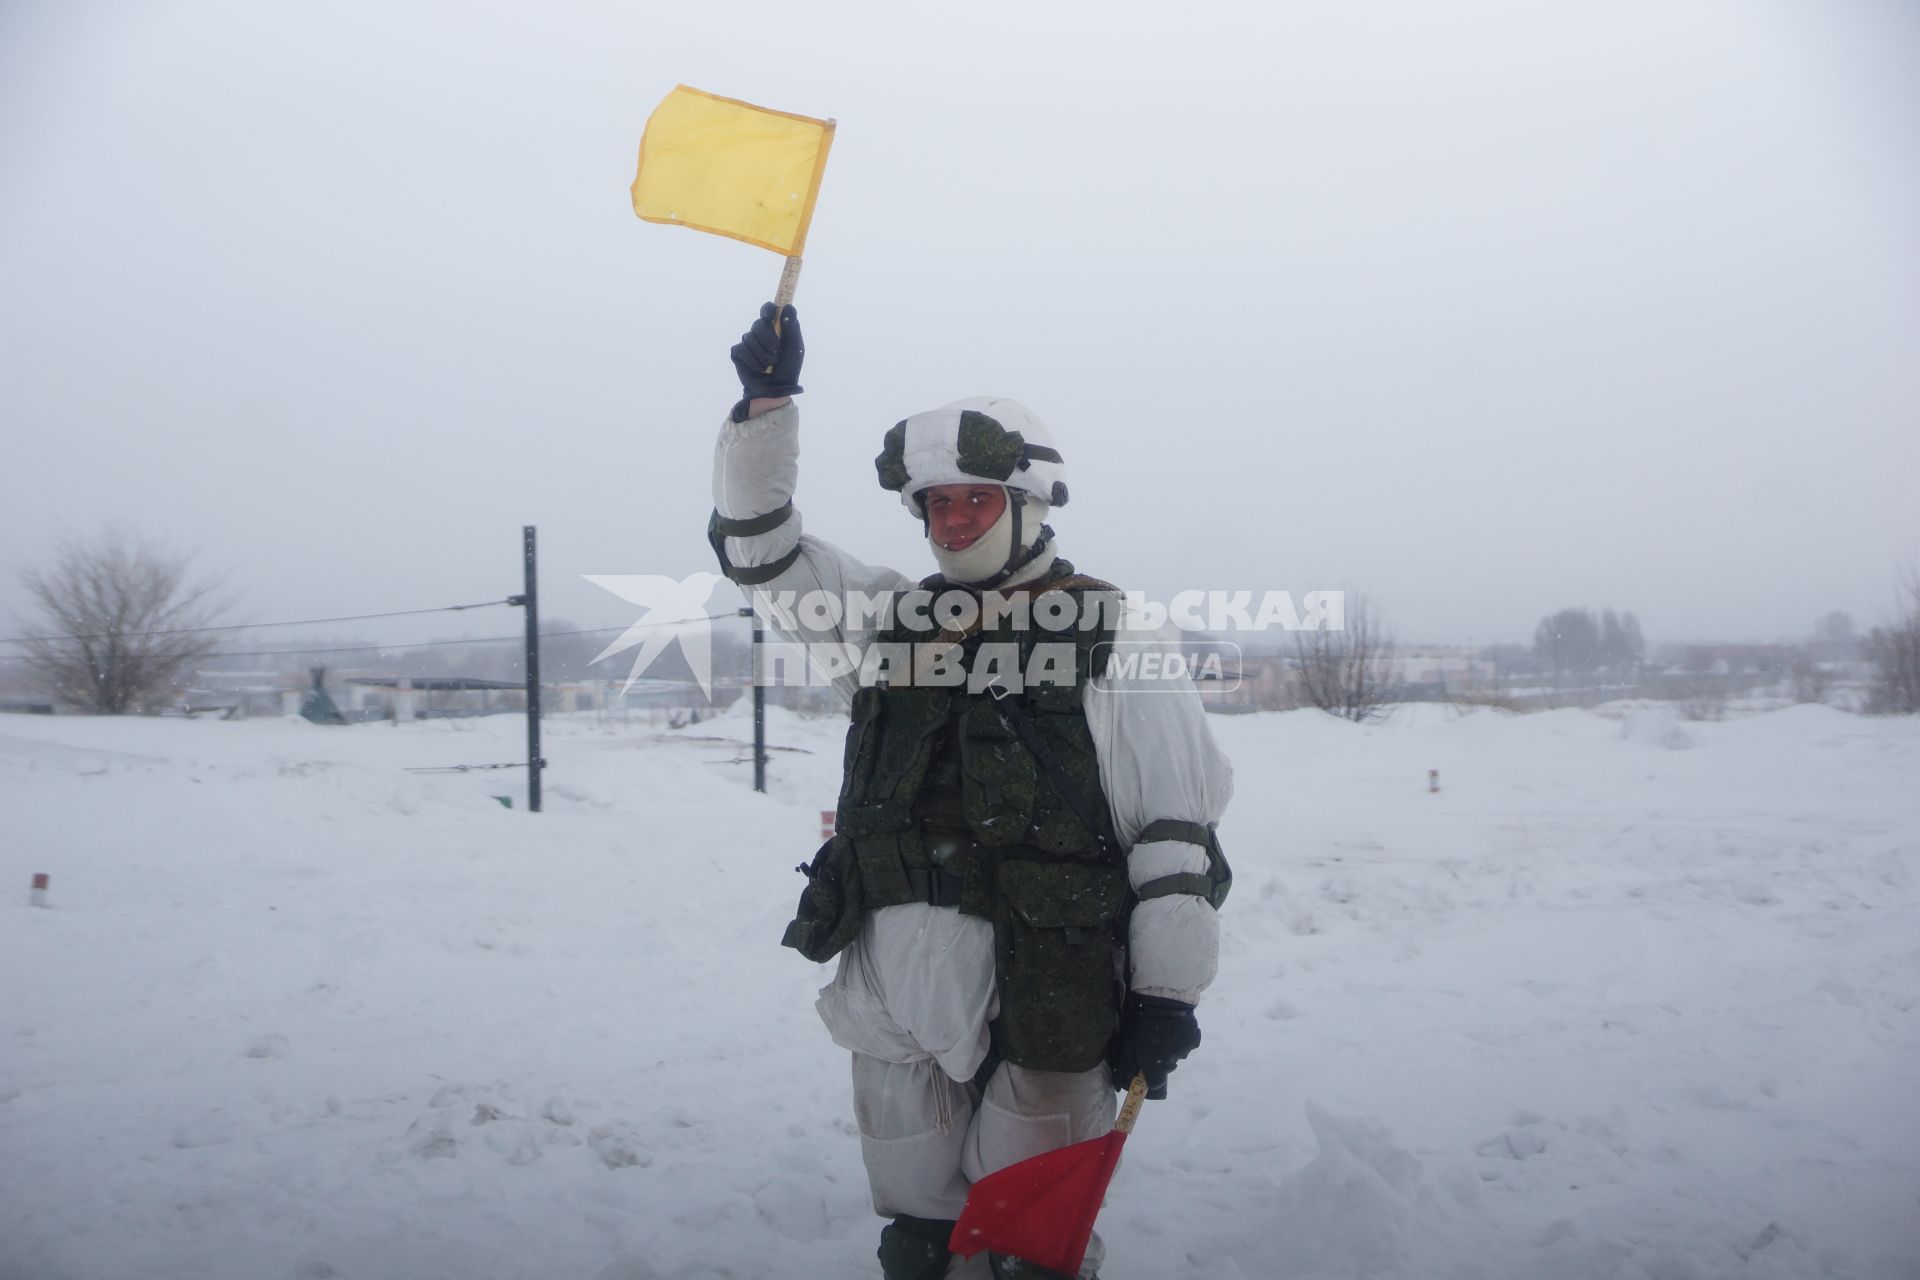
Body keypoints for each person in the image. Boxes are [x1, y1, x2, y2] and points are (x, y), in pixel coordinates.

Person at [708, 303, 1233, 1279]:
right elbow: (759, 551)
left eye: (974, 501)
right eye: (936, 503)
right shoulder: (886, 622)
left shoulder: (1112, 633)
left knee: (1028, 1242)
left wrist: (1166, 989)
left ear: (1029, 504)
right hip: (894, 987)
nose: (951, 520)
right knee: (917, 1236)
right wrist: (765, 406)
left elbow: (1175, 829)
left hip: (1049, 987)